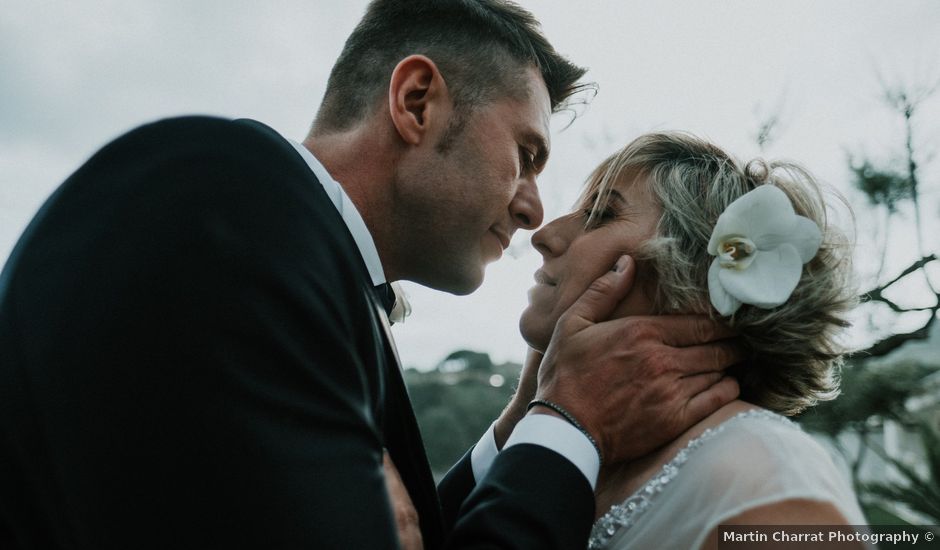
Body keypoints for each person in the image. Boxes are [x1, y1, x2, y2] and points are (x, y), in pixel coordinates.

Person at [0, 3, 741, 549]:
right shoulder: (226, 215)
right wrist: (573, 423)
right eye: (526, 154)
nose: (533, 209)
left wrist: (522, 424)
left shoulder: (284, 245)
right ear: (417, 102)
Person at [500, 132, 866, 550]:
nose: (543, 235)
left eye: (601, 213)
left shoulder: (764, 479)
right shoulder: (582, 461)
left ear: (694, 279)